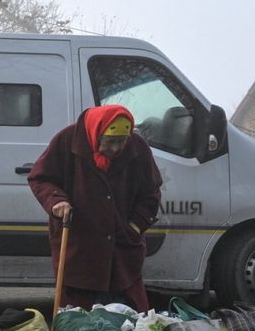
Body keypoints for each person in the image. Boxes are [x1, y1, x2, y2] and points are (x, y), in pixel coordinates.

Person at [27, 105, 163, 312]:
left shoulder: (137, 147)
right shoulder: (67, 140)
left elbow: (151, 192)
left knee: (130, 318)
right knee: (77, 318)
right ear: (96, 133)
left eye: (122, 141)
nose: (116, 149)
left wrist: (136, 225)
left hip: (122, 247)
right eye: (110, 142)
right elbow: (41, 178)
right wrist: (57, 201)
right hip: (79, 246)